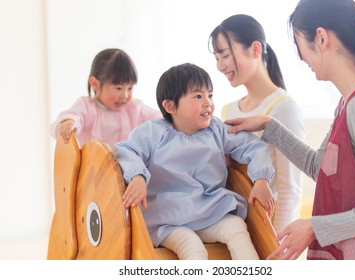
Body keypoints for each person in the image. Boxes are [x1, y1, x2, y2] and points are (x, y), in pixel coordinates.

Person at [225, 0, 355, 260]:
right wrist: (270, 126)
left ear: (321, 38)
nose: (301, 57)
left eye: (299, 43)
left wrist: (314, 227)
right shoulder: (348, 102)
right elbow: (319, 166)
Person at [114, 63, 275, 260]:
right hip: (167, 219)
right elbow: (125, 150)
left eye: (210, 95)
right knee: (192, 246)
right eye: (198, 96)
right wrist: (137, 176)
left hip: (209, 210)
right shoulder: (153, 132)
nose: (208, 103)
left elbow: (254, 147)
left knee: (236, 227)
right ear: (170, 106)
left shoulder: (216, 129)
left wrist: (262, 180)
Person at [209, 14, 305, 233]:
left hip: (270, 234)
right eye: (217, 58)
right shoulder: (228, 110)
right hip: (239, 230)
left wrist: (276, 248)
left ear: (255, 49)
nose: (220, 66)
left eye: (224, 55)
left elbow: (289, 190)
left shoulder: (283, 107)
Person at [50, 48, 162, 148]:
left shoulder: (135, 108)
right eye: (118, 88)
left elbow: (160, 119)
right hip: (93, 170)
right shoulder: (87, 107)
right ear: (95, 84)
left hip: (127, 170)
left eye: (130, 88)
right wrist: (69, 122)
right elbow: (74, 117)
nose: (125, 95)